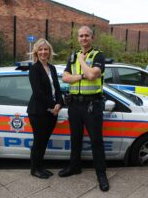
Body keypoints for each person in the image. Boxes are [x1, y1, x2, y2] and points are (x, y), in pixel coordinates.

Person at [59, 26, 109, 191]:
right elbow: (65, 78)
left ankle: (101, 175)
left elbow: (93, 75)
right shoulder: (72, 56)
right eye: (81, 36)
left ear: (92, 38)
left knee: (96, 141)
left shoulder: (98, 55)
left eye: (87, 35)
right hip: (74, 104)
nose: (84, 38)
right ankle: (74, 167)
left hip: (92, 105)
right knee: (75, 138)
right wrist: (81, 75)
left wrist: (81, 61)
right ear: (78, 38)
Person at [27, 38, 63, 179]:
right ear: (36, 52)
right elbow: (38, 93)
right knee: (39, 141)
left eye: (46, 49)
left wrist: (59, 103)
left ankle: (41, 166)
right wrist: (53, 105)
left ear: (49, 51)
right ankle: (34, 169)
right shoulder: (34, 69)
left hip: (52, 112)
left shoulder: (52, 68)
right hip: (38, 112)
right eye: (40, 49)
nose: (43, 52)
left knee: (44, 141)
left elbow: (58, 89)